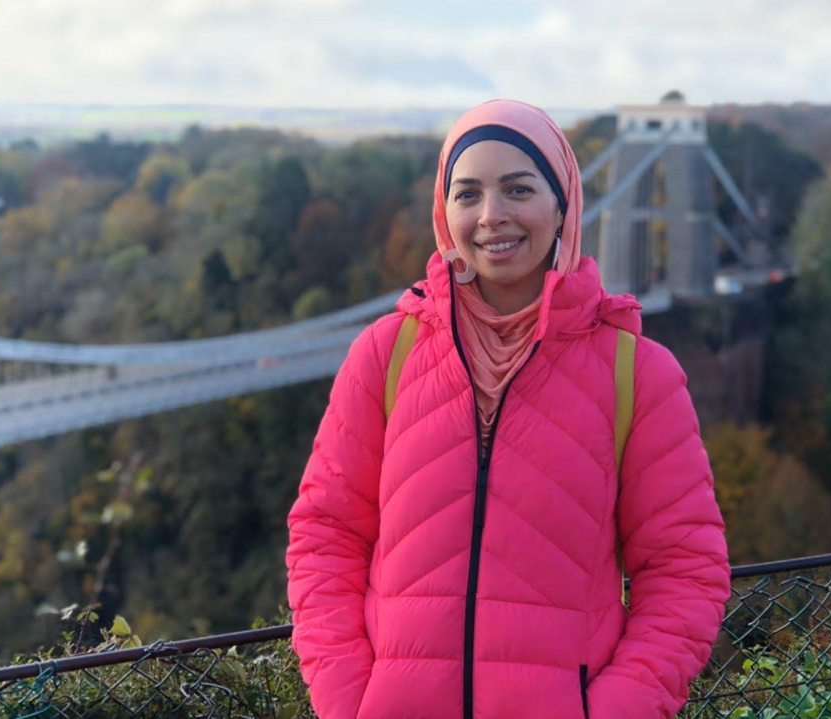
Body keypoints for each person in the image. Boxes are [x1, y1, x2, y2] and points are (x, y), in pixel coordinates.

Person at [286, 99, 730, 719]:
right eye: (467, 194)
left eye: (518, 188)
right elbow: (324, 537)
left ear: (563, 203)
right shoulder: (385, 355)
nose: (492, 216)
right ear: (445, 214)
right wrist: (350, 702)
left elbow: (686, 571)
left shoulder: (638, 374)